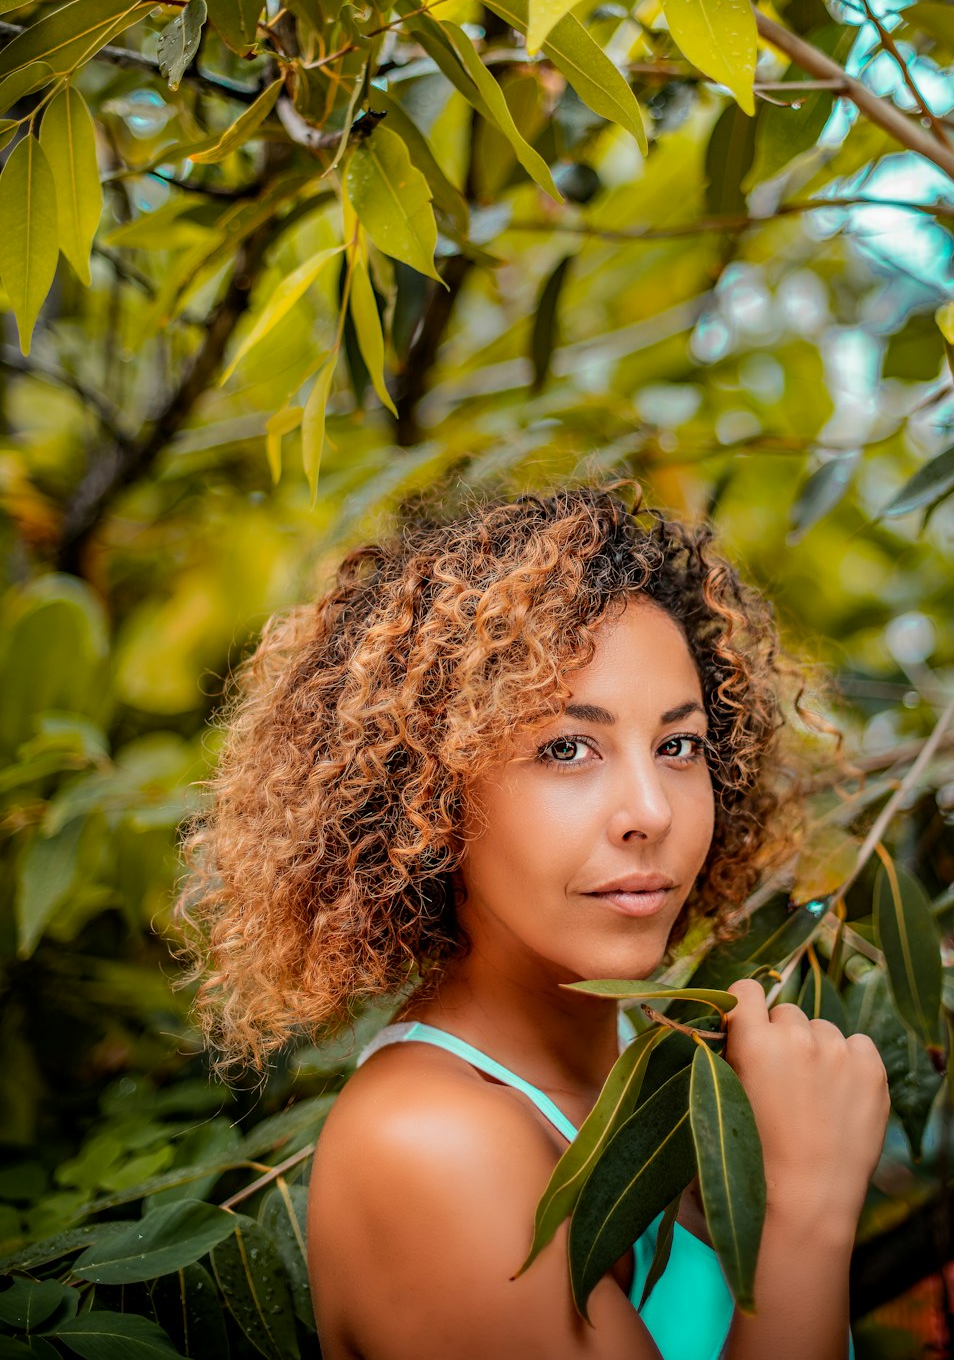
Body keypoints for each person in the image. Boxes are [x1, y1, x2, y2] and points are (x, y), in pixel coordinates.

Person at [180, 481, 890, 1360]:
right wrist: (807, 1211)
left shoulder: (652, 1067)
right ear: (427, 797)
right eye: (565, 748)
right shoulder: (431, 1147)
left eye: (679, 746)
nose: (650, 812)